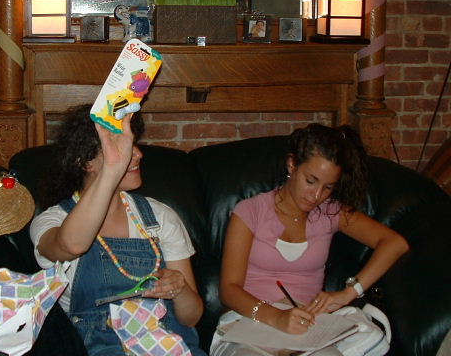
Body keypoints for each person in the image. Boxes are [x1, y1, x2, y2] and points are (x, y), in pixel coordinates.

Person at [211, 124, 409, 356]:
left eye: (328, 187)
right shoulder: (250, 211)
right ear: (292, 164)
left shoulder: (331, 212)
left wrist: (350, 292)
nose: (316, 196)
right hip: (249, 323)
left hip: (307, 331)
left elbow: (394, 243)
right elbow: (229, 290)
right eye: (311, 180)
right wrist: (277, 317)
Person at [29, 104, 205, 355]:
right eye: (121, 146)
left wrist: (180, 289)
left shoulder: (159, 217)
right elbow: (72, 246)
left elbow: (191, 318)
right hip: (100, 346)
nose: (138, 154)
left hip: (166, 340)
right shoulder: (53, 221)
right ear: (86, 163)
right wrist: (113, 170)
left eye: (133, 144)